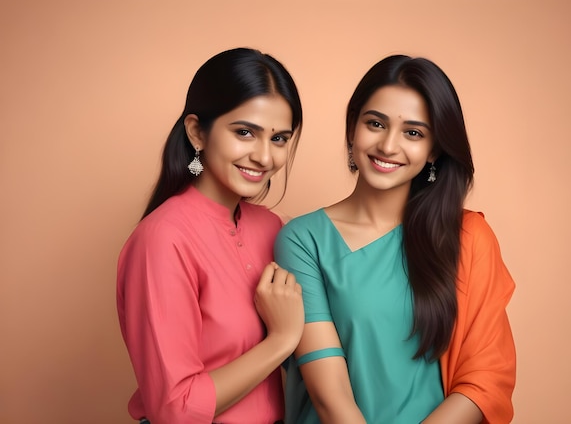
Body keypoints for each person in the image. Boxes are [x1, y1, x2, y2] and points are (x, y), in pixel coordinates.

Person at [274, 55, 516, 424]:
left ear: (434, 149)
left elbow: (484, 379)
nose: (388, 145)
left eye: (413, 133)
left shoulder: (469, 238)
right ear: (353, 126)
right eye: (375, 123)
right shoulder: (304, 240)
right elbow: (331, 397)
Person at [116, 47, 305, 424]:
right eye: (245, 132)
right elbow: (177, 409)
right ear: (197, 132)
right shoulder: (162, 240)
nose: (264, 157)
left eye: (279, 138)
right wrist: (282, 340)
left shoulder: (273, 228)